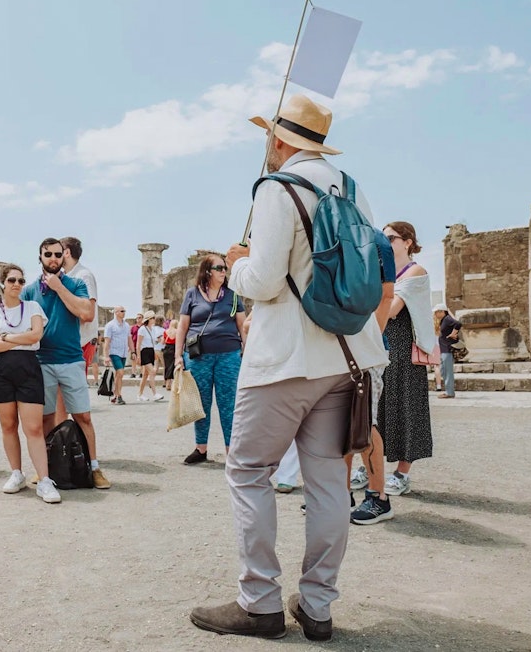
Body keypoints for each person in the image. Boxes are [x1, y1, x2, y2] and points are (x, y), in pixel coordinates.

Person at [190, 95, 388, 641]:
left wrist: (235, 266)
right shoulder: (351, 187)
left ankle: (259, 601)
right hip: (348, 354)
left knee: (249, 470)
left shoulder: (277, 189)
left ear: (279, 141)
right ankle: (319, 605)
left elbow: (267, 281)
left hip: (284, 358)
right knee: (327, 479)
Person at [20, 238, 110, 489]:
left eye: (57, 254)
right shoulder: (29, 291)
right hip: (42, 360)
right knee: (46, 418)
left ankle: (94, 467)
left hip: (71, 359)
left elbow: (87, 313)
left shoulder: (76, 283)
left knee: (83, 416)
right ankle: (46, 470)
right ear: (40, 257)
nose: (52, 258)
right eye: (47, 254)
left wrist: (59, 288)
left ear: (64, 256)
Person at [0, 264, 60, 503]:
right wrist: (18, 339)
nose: (17, 284)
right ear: (3, 283)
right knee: (8, 426)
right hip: (1, 370)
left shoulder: (33, 307)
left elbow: (36, 336)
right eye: (12, 280)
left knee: (33, 428)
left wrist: (5, 337)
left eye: (21, 280)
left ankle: (44, 480)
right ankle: (16, 473)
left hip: (28, 368)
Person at [379, 221, 434, 497]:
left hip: (404, 348)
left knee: (406, 409)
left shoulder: (415, 272)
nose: (386, 243)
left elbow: (391, 309)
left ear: (408, 241)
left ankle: (401, 473)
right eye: (383, 238)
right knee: (378, 409)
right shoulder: (386, 273)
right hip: (382, 346)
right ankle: (371, 467)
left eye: (391, 238)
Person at [175, 254, 246, 464]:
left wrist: (247, 351)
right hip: (199, 356)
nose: (224, 271)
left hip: (229, 356)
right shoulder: (192, 295)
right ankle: (201, 448)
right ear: (207, 271)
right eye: (219, 268)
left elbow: (242, 325)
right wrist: (178, 356)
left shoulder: (232, 296)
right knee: (201, 404)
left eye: (225, 268)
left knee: (228, 404)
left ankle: (231, 450)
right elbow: (182, 327)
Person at [60, 236, 99, 394]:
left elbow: (87, 313)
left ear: (67, 252)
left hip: (80, 342)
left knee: (74, 396)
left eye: (58, 252)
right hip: (71, 343)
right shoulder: (67, 276)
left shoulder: (83, 276)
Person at [101, 307, 130, 405]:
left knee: (119, 375)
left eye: (124, 311)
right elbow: (107, 342)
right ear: (116, 313)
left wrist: (133, 352)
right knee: (120, 372)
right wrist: (106, 356)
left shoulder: (126, 325)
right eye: (122, 311)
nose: (124, 313)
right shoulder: (110, 326)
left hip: (124, 352)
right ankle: (119, 395)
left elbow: (129, 339)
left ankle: (116, 394)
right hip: (114, 352)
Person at [135, 311, 165, 402]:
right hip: (144, 352)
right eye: (153, 318)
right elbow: (138, 344)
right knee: (152, 371)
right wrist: (138, 356)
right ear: (149, 319)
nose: (154, 319)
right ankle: (155, 394)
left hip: (151, 351)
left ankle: (140, 394)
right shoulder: (142, 329)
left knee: (145, 375)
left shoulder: (152, 329)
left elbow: (152, 342)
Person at [435, 303, 462, 399]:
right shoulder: (443, 320)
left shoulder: (447, 319)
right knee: (443, 370)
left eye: (437, 312)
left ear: (442, 311)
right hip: (443, 349)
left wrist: (453, 333)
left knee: (447, 371)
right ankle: (448, 390)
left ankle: (449, 392)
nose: (435, 314)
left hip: (447, 349)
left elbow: (458, 323)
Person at [162, 319, 177, 390]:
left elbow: (162, 342)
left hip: (166, 349)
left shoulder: (165, 331)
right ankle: (173, 384)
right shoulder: (177, 332)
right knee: (173, 366)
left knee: (167, 366)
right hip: (174, 349)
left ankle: (167, 383)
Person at [129, 313, 142, 378]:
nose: (138, 319)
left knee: (142, 359)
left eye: (139, 317)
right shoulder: (133, 327)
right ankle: (133, 373)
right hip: (134, 345)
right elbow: (130, 336)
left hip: (142, 346)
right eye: (137, 318)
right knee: (133, 359)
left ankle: (141, 372)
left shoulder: (144, 327)